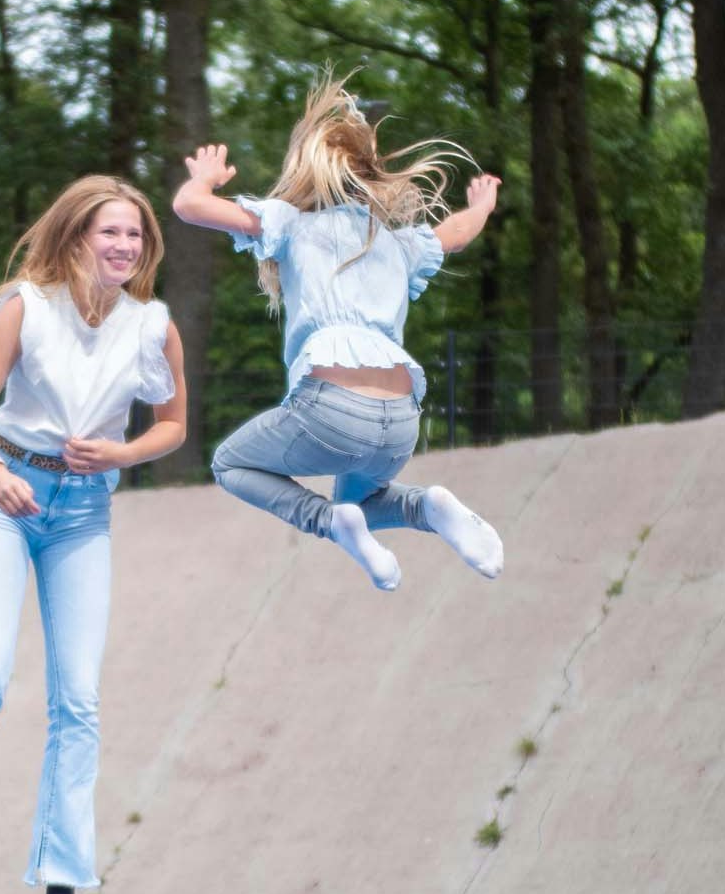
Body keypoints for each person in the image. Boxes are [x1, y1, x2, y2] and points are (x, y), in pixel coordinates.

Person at [0, 176, 188, 894]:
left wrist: (122, 452)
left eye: (135, 234)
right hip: (3, 496)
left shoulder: (152, 327)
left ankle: (64, 867)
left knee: (80, 697)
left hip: (83, 511)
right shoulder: (24, 309)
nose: (124, 245)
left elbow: (173, 425)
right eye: (110, 231)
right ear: (76, 238)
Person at [173, 75, 506, 592]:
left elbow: (188, 207)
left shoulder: (290, 223)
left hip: (331, 410)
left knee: (230, 462)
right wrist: (482, 205)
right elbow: (457, 234)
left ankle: (327, 521)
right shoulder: (398, 243)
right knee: (361, 505)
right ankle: (429, 507)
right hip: (400, 422)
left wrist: (204, 178)